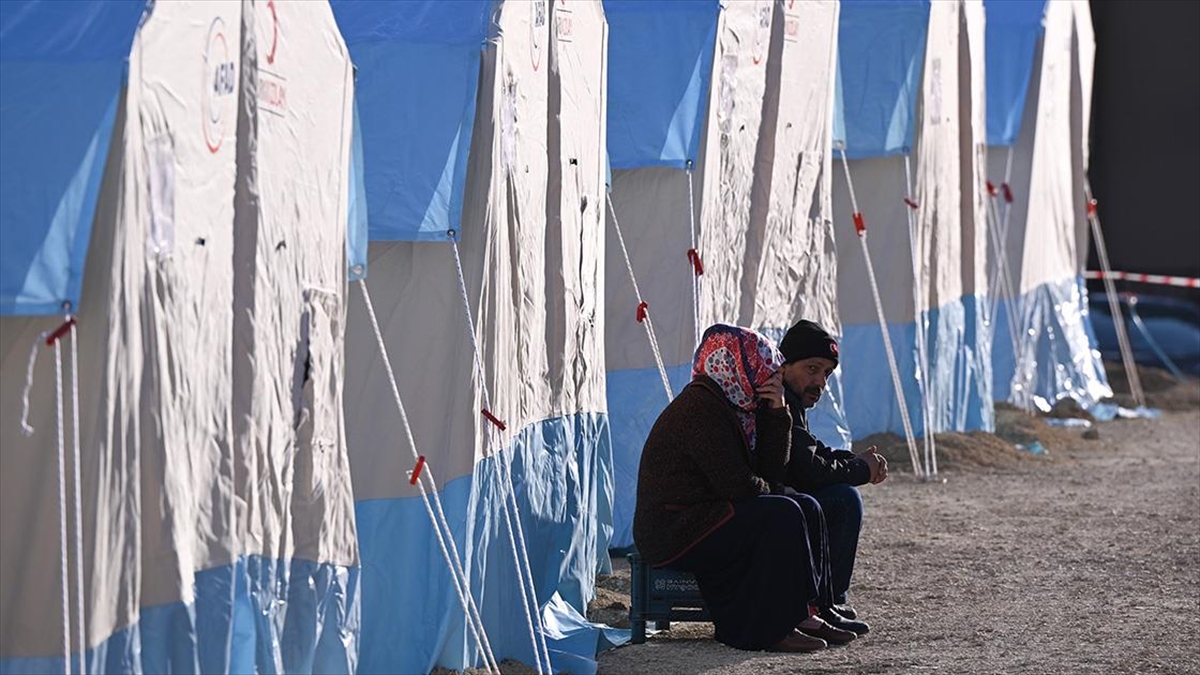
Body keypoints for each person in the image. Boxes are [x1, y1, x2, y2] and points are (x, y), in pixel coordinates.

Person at [633, 324, 857, 653]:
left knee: (804, 505)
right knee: (783, 511)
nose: (772, 380)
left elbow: (770, 470)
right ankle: (771, 627)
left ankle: (808, 611)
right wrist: (776, 490)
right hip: (675, 527)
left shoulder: (738, 407)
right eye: (765, 371)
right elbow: (738, 485)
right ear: (738, 365)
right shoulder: (700, 407)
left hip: (707, 512)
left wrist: (776, 412)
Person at [778, 319, 888, 634]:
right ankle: (825, 602)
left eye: (826, 373)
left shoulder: (791, 401)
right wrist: (860, 470)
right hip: (762, 507)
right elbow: (807, 470)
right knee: (843, 499)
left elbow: (812, 450)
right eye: (812, 369)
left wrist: (856, 460)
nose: (820, 382)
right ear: (784, 366)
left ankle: (827, 601)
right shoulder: (778, 401)